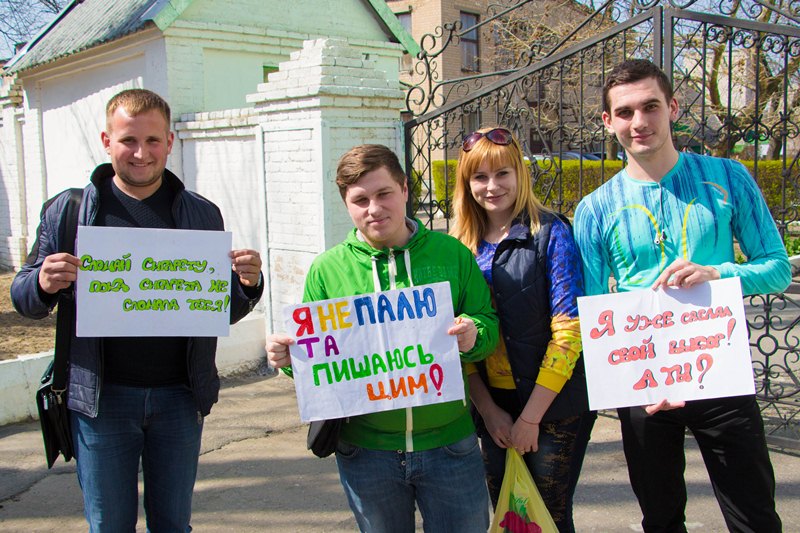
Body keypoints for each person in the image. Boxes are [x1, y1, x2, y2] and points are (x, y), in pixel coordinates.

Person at [11, 88, 264, 532]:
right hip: (101, 400)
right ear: (107, 141)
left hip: (179, 398)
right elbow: (23, 297)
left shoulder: (202, 213)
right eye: (128, 140)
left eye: (152, 141)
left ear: (169, 142)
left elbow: (214, 309)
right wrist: (43, 282)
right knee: (109, 525)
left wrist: (248, 285)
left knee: (173, 525)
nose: (141, 153)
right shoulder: (69, 211)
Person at [573, 59, 789, 532]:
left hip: (721, 374)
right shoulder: (594, 209)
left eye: (650, 106)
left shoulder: (729, 177)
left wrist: (717, 272)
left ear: (672, 108)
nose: (639, 121)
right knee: (661, 519)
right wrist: (630, 378)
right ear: (608, 121)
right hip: (644, 388)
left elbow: (776, 268)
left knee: (755, 517)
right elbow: (591, 311)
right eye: (625, 112)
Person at [266, 144, 499, 533]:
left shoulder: (452, 254)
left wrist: (474, 334)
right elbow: (319, 363)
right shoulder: (327, 270)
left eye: (383, 193)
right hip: (366, 452)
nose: (373, 209)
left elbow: (487, 325)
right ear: (346, 204)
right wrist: (291, 361)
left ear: (405, 189)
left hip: (450, 446)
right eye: (360, 200)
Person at [449, 126, 596, 532]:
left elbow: (569, 331)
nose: (492, 186)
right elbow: (456, 341)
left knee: (547, 518)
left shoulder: (550, 232)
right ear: (466, 182)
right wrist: (488, 411)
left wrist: (531, 418)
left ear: (520, 173)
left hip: (555, 404)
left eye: (502, 173)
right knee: (509, 517)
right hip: (493, 404)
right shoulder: (458, 246)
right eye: (480, 176)